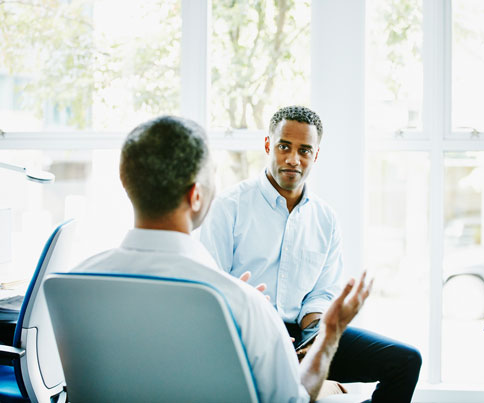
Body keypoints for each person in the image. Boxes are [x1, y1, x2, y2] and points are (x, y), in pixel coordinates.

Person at [70, 115, 372, 402]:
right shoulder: (241, 304)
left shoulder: (72, 283)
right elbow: (289, 400)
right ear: (196, 196)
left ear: (125, 182)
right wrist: (330, 334)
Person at [200, 105, 422, 402]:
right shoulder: (229, 207)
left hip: (308, 337)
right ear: (268, 145)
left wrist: (316, 340)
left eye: (304, 150)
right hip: (249, 336)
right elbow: (213, 289)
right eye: (284, 147)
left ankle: (312, 380)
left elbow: (321, 293)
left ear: (315, 155)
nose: (293, 159)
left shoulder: (325, 219)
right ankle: (319, 385)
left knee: (406, 361)